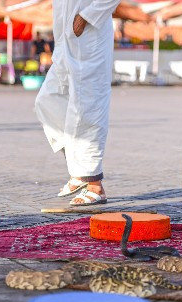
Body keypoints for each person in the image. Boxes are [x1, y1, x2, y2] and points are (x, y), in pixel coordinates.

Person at [34, 0, 120, 206]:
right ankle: (79, 169)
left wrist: (86, 17)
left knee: (87, 109)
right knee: (47, 100)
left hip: (90, 39)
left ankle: (94, 185)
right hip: (65, 43)